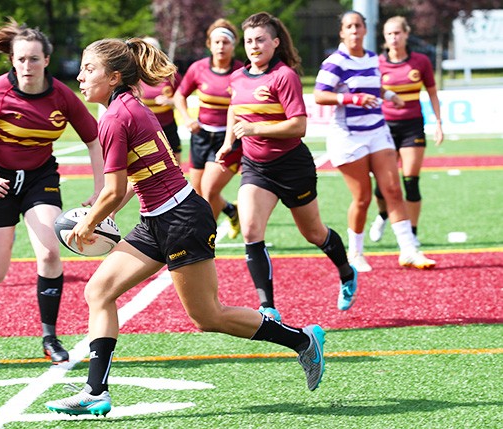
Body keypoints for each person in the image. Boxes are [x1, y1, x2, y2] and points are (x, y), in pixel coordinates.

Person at [45, 37, 325, 417]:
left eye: (88, 69)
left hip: (180, 220)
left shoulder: (115, 116)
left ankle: (303, 340)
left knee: (208, 316)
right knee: (99, 292)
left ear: (113, 77)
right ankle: (96, 392)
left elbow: (112, 189)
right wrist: (100, 210)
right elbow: (136, 180)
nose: (79, 76)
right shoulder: (124, 107)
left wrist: (90, 222)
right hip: (158, 219)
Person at [0, 19, 104, 364]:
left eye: (33, 59)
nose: (26, 66)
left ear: (46, 60)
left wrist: (100, 188)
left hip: (40, 178)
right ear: (12, 60)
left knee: (51, 254)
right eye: (20, 59)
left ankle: (49, 337)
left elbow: (94, 140)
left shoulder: (62, 96)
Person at [215, 12, 357, 316]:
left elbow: (298, 126)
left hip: (292, 167)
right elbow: (235, 108)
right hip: (256, 168)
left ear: (275, 42)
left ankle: (346, 272)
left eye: (261, 40)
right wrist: (229, 142)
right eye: (250, 41)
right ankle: (268, 308)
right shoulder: (238, 77)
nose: (254, 46)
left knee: (314, 233)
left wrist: (255, 129)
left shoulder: (284, 76)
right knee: (252, 231)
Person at [313, 10, 435, 272]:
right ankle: (355, 253)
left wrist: (390, 95)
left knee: (393, 190)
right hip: (349, 136)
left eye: (358, 25)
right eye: (349, 27)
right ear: (342, 32)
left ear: (365, 30)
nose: (355, 31)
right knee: (363, 198)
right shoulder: (336, 61)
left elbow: (373, 85)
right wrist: (351, 99)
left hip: (377, 130)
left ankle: (409, 250)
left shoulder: (370, 58)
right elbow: (320, 95)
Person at [368, 16, 444, 244]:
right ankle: (382, 215)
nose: (393, 37)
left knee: (410, 181)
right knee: (383, 183)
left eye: (397, 33)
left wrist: (439, 123)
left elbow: (432, 93)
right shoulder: (377, 63)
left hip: (412, 127)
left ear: (406, 34)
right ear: (384, 37)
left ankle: (412, 233)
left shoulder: (420, 61)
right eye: (389, 34)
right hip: (384, 128)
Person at [173, 18, 242, 239]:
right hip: (201, 135)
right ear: (209, 44)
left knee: (210, 189)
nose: (221, 47)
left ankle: (205, 237)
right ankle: (232, 210)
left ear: (233, 45)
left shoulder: (242, 71)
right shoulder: (198, 68)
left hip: (228, 139)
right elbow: (179, 95)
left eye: (225, 42)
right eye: (216, 42)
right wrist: (186, 118)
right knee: (199, 192)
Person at [138, 37, 183, 164]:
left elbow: (183, 96)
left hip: (168, 126)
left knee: (175, 166)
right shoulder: (134, 75)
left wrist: (171, 101)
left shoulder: (170, 73)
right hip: (143, 130)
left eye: (152, 50)